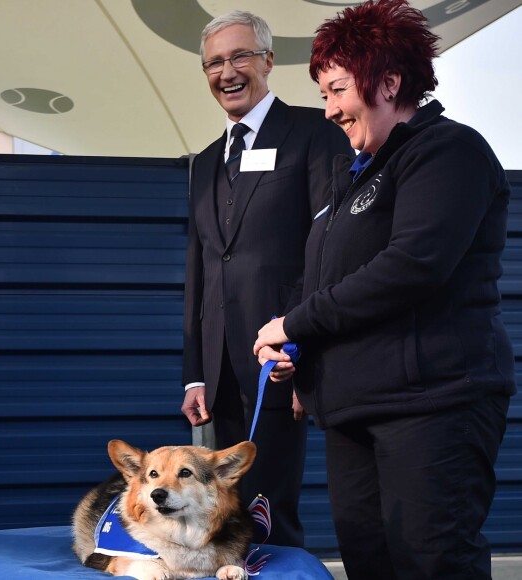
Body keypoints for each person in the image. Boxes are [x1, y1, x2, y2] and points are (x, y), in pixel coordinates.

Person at [253, 0, 516, 576]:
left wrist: (294, 323)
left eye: (337, 90)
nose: (328, 110)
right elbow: (331, 283)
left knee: (431, 561)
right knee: (369, 561)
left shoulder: (447, 150)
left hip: (432, 404)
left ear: (390, 82)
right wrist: (304, 356)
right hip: (354, 410)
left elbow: (412, 265)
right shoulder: (352, 180)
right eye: (323, 93)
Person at [181, 10, 351, 547]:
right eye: (214, 63)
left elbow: (327, 246)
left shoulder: (314, 133)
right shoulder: (206, 161)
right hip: (220, 367)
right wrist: (194, 373)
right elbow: (201, 266)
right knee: (226, 511)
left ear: (268, 61)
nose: (226, 72)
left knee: (272, 504)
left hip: (278, 356)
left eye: (239, 57)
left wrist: (299, 337)